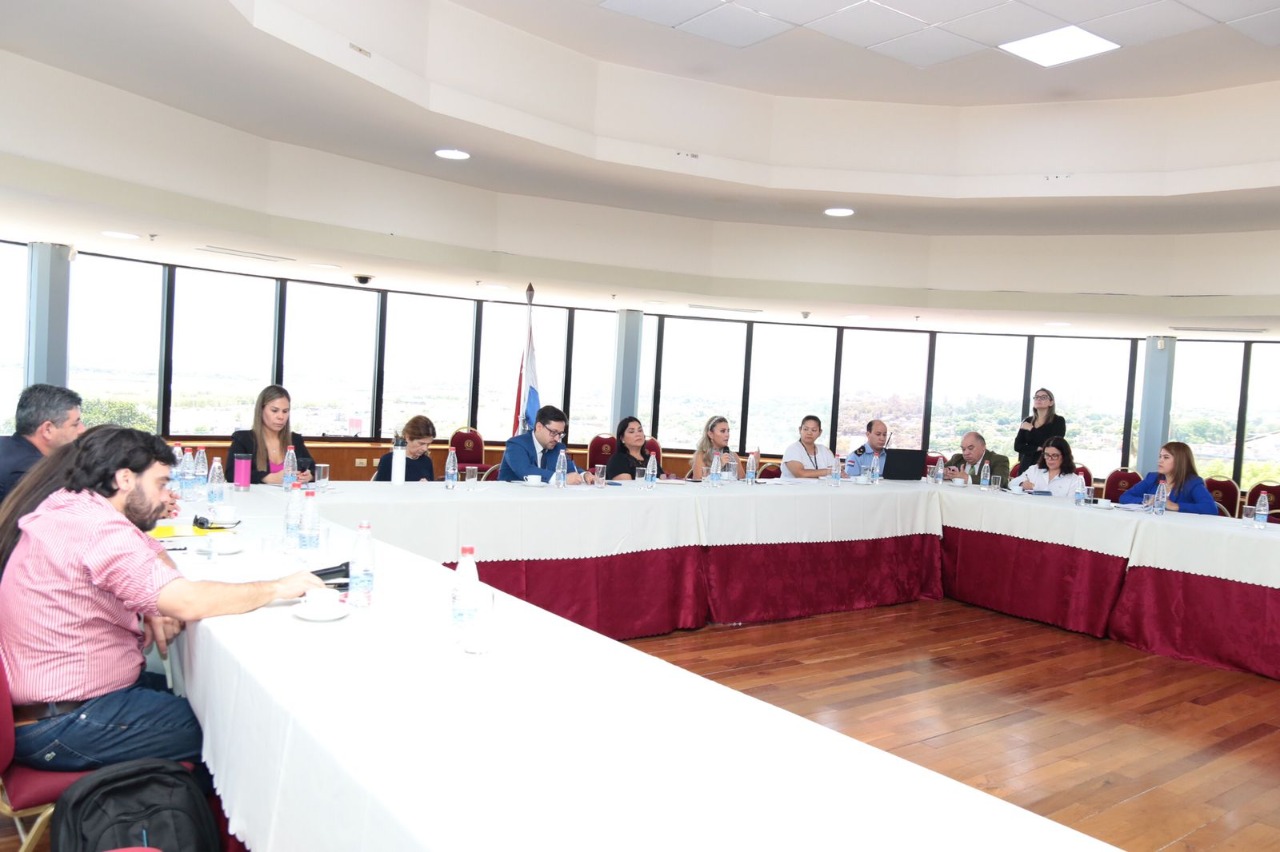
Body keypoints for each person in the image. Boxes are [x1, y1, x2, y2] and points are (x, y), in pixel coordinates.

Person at [0, 426, 322, 774]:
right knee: (241, 727)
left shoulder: (70, 507)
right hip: (68, 720)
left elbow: (150, 552)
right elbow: (186, 601)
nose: (166, 496)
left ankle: (190, 818)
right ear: (125, 479)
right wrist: (276, 588)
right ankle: (192, 822)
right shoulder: (98, 529)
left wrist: (151, 600)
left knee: (210, 699)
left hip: (57, 706)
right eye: (161, 484)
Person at [0, 383, 86, 502]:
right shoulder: (34, 474)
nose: (82, 430)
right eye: (75, 424)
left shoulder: (5, 446)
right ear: (47, 429)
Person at [226, 385, 313, 485]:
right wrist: (266, 478)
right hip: (255, 499)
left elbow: (313, 469)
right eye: (274, 410)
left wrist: (309, 476)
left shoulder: (295, 439)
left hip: (290, 498)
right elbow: (231, 475)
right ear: (261, 410)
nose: (281, 417)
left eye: (285, 411)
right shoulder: (243, 439)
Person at [498, 405, 592, 484]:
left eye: (560, 434)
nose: (557, 438)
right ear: (539, 427)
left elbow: (570, 469)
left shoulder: (558, 447)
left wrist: (584, 475)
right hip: (512, 499)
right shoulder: (516, 444)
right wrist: (560, 478)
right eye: (553, 432)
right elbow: (525, 470)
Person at [1118, 441, 1216, 515]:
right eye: (1160, 457)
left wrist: (1175, 506)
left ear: (1179, 461)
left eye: (1166, 457)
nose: (1160, 461)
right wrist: (1148, 502)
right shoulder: (1152, 477)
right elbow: (1124, 497)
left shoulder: (1193, 482)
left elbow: (1211, 508)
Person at [1007, 436, 1083, 497]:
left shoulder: (1074, 480)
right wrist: (1022, 484)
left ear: (1064, 456)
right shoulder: (1035, 469)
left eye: (1054, 455)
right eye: (1047, 455)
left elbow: (1073, 505)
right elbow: (1011, 484)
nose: (1050, 459)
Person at [1014, 387, 1067, 471]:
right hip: (1026, 464)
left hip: (1047, 464)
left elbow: (1053, 444)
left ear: (1051, 402)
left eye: (1043, 397)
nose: (1039, 399)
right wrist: (1036, 448)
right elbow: (1017, 446)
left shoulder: (1058, 421)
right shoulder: (1028, 421)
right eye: (1036, 397)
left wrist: (1031, 429)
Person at [375, 415, 436, 481]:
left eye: (428, 444)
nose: (425, 449)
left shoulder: (427, 461)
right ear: (407, 437)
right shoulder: (388, 460)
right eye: (421, 443)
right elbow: (380, 489)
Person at [605, 417, 664, 481]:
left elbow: (663, 480)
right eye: (631, 431)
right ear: (622, 438)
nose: (638, 434)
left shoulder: (650, 459)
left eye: (640, 430)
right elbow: (628, 487)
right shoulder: (617, 460)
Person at [945, 431, 1010, 487]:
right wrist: (945, 473)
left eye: (971, 448)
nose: (966, 453)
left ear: (983, 447)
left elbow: (999, 482)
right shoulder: (957, 458)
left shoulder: (999, 460)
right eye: (963, 449)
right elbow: (939, 470)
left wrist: (967, 478)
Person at [693, 416, 743, 481]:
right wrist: (718, 465)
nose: (727, 434)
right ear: (711, 434)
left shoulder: (733, 456)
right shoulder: (702, 455)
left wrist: (755, 466)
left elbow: (743, 481)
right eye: (723, 431)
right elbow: (698, 481)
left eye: (728, 431)